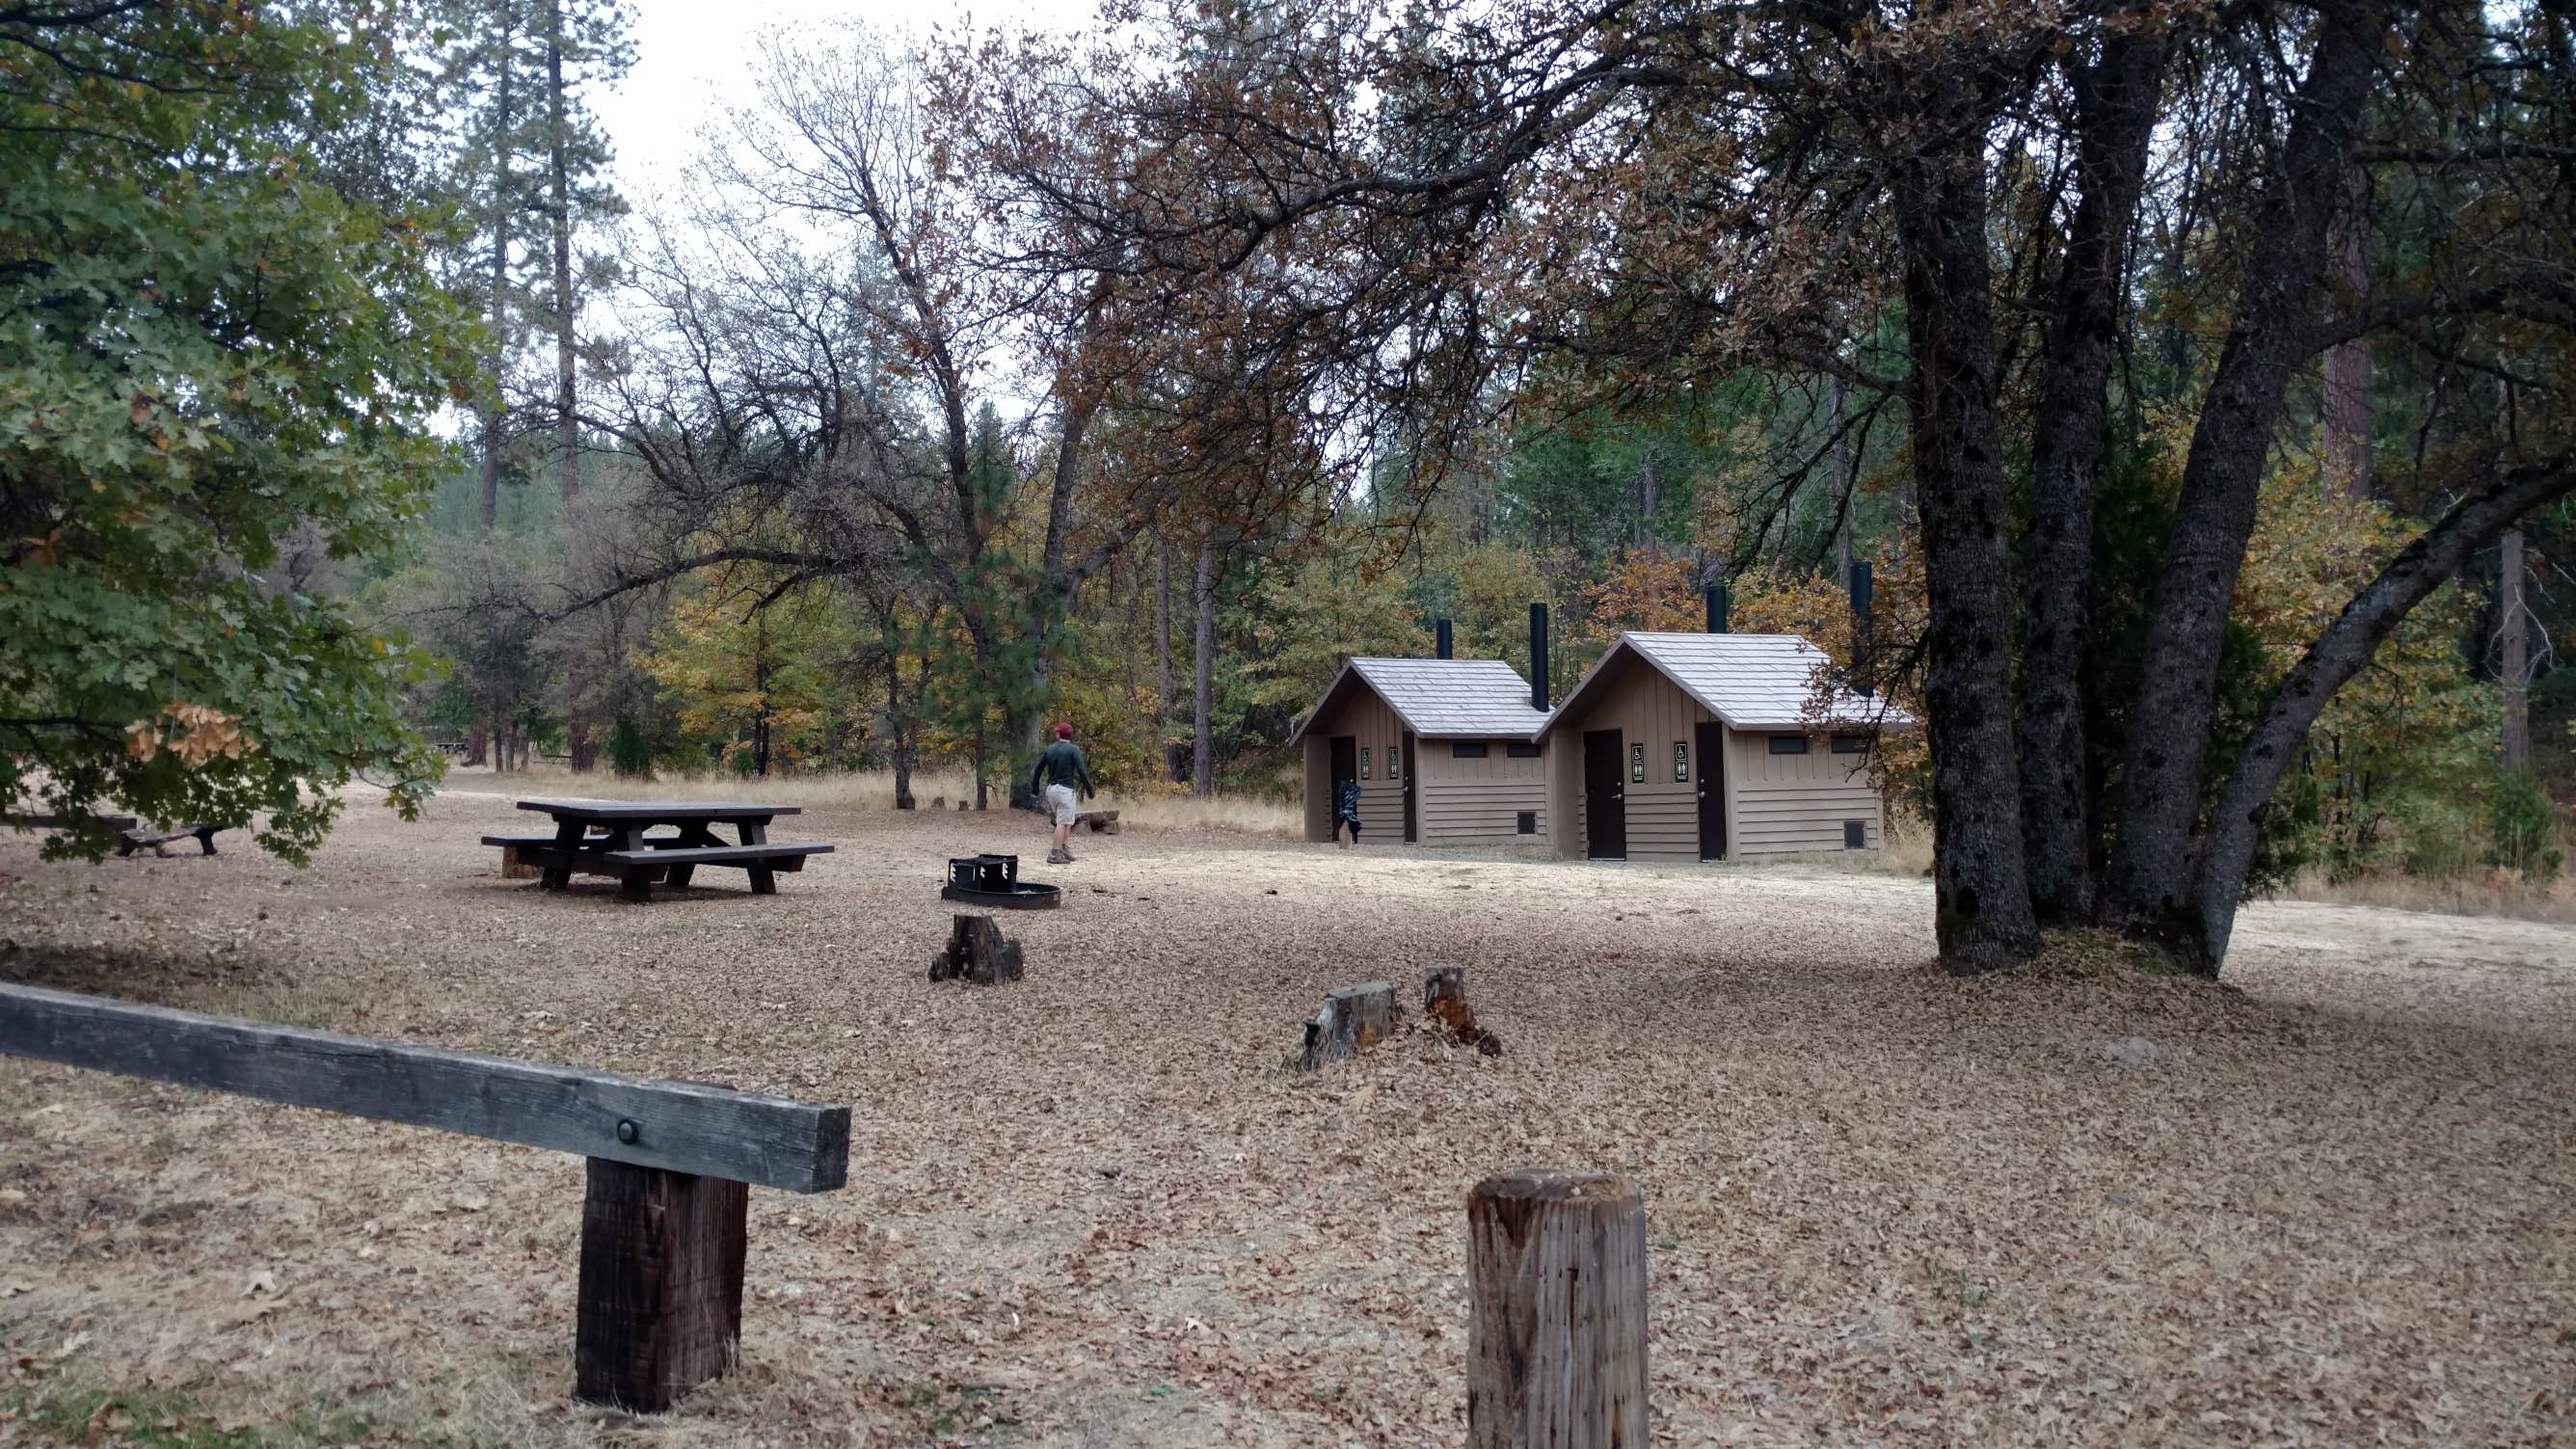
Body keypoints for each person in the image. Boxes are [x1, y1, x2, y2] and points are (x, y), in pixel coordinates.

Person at [1029, 722, 1095, 865]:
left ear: (1058, 734)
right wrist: (1089, 790)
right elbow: (1082, 772)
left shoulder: (1050, 749)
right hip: (1065, 791)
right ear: (1071, 735)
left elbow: (1038, 770)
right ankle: (1054, 853)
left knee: (1068, 819)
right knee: (1062, 822)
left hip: (1052, 790)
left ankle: (1063, 848)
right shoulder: (1073, 750)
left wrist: (1035, 788)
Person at [1333, 776, 1363, 848]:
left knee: (1345, 828)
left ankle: (1345, 845)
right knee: (1345, 828)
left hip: (1345, 814)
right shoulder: (1351, 790)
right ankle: (1345, 845)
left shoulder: (1346, 789)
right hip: (1345, 814)